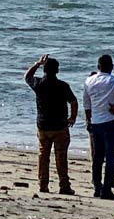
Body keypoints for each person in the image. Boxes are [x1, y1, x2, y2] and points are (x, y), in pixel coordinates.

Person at [24, 54, 78, 195]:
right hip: (60, 125)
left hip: (43, 125)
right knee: (61, 156)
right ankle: (64, 185)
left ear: (44, 70)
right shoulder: (63, 86)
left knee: (43, 155)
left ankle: (43, 184)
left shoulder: (39, 84)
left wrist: (37, 63)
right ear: (57, 71)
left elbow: (26, 77)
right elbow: (73, 101)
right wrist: (72, 117)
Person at [83, 53, 114, 200]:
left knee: (98, 157)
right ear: (112, 67)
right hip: (111, 122)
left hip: (96, 123)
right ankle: (107, 189)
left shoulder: (89, 81)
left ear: (98, 67)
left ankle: (97, 187)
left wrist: (89, 120)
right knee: (110, 158)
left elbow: (87, 104)